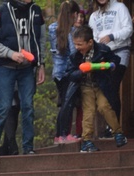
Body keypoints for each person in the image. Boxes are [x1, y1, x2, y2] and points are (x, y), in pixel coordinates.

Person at [0, 0, 46, 157]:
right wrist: (10, 53)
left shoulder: (36, 11)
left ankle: (28, 147)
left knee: (28, 106)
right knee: (4, 107)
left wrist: (41, 64)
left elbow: (41, 41)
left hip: (27, 68)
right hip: (6, 67)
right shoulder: (1, 11)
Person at [68, 25, 129, 152]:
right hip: (86, 87)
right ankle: (87, 141)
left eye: (80, 44)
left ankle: (118, 133)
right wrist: (82, 71)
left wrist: (111, 65)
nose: (77, 47)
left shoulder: (102, 50)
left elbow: (115, 59)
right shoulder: (75, 56)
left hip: (101, 85)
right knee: (88, 112)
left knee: (104, 106)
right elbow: (70, 74)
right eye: (75, 44)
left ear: (90, 42)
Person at [88, 0, 132, 138]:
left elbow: (128, 29)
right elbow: (92, 37)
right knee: (104, 89)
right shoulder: (94, 16)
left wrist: (112, 36)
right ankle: (110, 127)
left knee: (113, 85)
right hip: (102, 55)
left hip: (119, 51)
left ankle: (114, 128)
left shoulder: (120, 7)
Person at [49, 0, 83, 143]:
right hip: (68, 72)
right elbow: (74, 53)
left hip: (57, 72)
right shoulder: (71, 31)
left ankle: (59, 135)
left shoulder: (52, 28)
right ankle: (63, 134)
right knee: (67, 104)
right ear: (74, 14)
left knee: (64, 103)